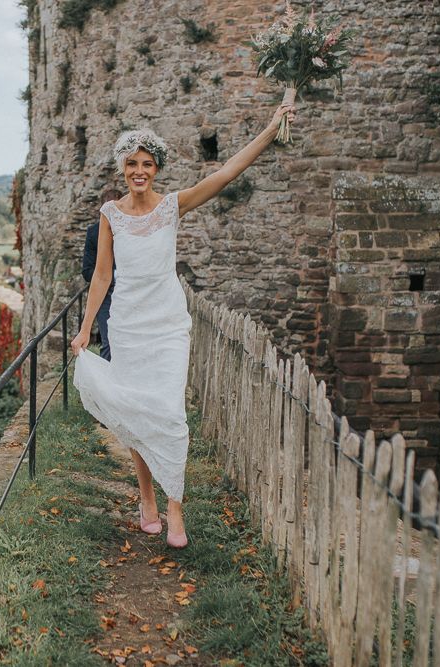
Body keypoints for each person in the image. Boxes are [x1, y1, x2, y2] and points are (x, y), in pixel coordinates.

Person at [71, 103, 296, 548]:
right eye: (132, 163)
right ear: (123, 167)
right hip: (128, 327)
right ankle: (147, 498)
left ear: (157, 169)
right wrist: (84, 330)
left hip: (168, 325)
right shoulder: (110, 214)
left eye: (147, 164)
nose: (139, 171)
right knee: (137, 411)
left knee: (170, 414)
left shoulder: (173, 207)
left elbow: (227, 173)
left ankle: (175, 506)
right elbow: (101, 276)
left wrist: (271, 129)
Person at [82, 188, 122, 360]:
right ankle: (106, 383)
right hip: (106, 296)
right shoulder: (93, 233)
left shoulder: (132, 229)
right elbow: (87, 271)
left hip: (133, 294)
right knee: (109, 342)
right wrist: (112, 277)